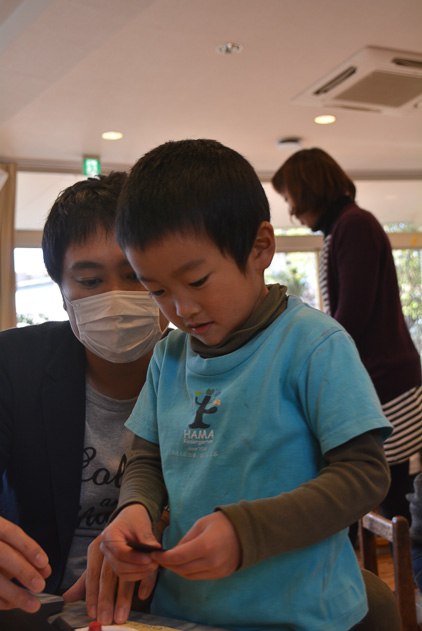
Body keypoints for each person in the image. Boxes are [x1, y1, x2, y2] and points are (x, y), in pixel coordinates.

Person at [96, 139, 399, 630]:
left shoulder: (313, 344)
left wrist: (247, 531)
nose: (181, 308)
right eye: (157, 290)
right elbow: (147, 462)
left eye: (197, 281)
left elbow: (364, 475)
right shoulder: (168, 357)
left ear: (260, 247)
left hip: (303, 617)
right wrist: (136, 509)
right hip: (187, 615)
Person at [0, 172, 168, 626]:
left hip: (170, 612)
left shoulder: (214, 371)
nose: (115, 298)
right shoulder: (13, 363)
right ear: (61, 292)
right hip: (35, 608)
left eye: (135, 275)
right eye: (90, 280)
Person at [271, 147, 422, 528]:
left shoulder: (353, 226)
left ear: (307, 189)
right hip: (382, 378)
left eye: (289, 198)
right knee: (394, 502)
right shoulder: (345, 227)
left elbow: (352, 314)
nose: (292, 211)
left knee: (397, 503)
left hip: (387, 383)